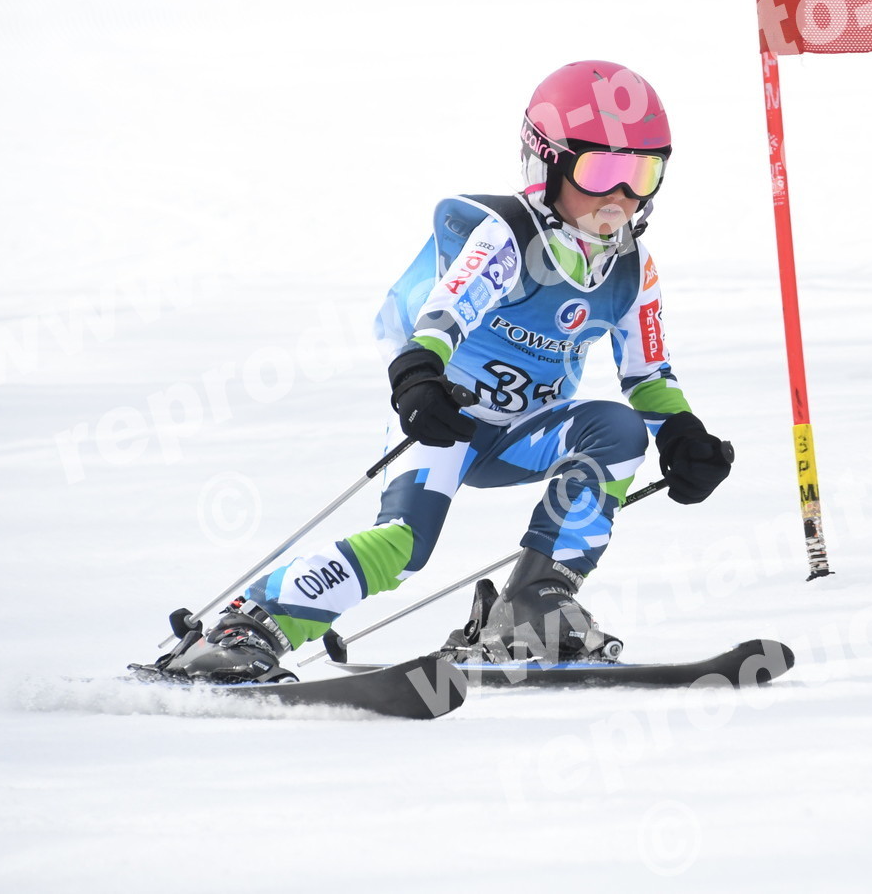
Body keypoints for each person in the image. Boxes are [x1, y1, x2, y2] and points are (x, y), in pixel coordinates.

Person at [152, 61, 732, 682]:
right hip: (445, 419)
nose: (619, 196)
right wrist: (419, 375)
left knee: (618, 430)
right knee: (403, 547)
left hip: (524, 434)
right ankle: (249, 626)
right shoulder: (509, 238)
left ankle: (534, 604)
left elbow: (647, 374)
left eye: (641, 174)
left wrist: (681, 433)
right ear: (547, 165)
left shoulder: (631, 269)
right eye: (598, 172)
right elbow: (447, 312)